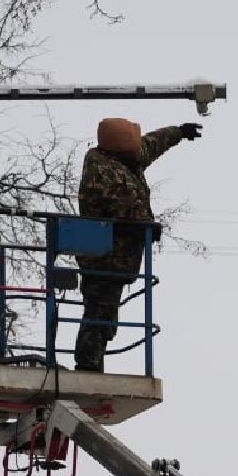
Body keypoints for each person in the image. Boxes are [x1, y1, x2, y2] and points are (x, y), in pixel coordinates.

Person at [72, 116, 202, 371]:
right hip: (103, 256)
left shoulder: (122, 159)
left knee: (105, 314)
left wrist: (178, 132)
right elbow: (125, 206)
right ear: (119, 145)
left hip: (116, 257)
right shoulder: (103, 172)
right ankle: (88, 365)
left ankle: (92, 362)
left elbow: (151, 144)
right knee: (100, 313)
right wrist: (146, 226)